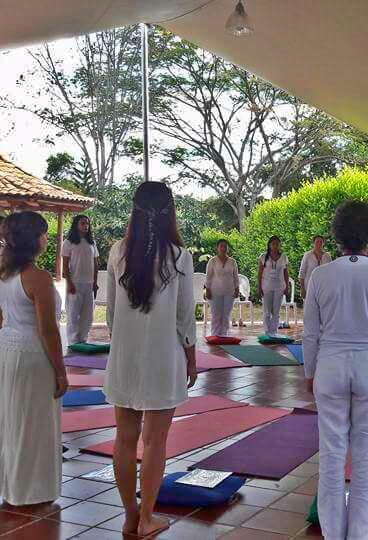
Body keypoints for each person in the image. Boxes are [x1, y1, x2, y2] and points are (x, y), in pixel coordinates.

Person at [303, 201, 368, 540]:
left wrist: (309, 373)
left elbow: (310, 333)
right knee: (365, 466)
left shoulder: (321, 274)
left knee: (331, 462)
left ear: (337, 233)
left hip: (329, 368)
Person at [104, 182, 197, 537]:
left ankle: (130, 515)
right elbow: (184, 317)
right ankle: (147, 517)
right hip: (163, 358)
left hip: (125, 358)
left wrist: (125, 343)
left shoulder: (117, 252)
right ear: (170, 212)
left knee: (124, 439)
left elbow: (112, 315)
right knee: (155, 442)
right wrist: (191, 358)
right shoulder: (179, 256)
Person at [0, 212, 67, 507]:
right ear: (32, 240)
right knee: (34, 423)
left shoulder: (3, 273)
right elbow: (48, 330)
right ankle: (31, 489)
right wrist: (61, 372)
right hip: (32, 355)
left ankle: (11, 485)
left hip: (7, 349)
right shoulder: (37, 278)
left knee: (11, 421)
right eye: (43, 233)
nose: (47, 238)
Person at [62, 214, 99, 344]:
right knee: (73, 314)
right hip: (75, 283)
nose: (86, 226)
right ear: (76, 225)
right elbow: (65, 265)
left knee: (88, 315)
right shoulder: (68, 242)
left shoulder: (92, 243)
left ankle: (83, 339)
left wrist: (95, 282)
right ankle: (73, 341)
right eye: (83, 223)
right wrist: (69, 282)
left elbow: (95, 263)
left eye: (87, 224)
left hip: (89, 284)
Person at [204, 239, 239, 337]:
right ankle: (215, 334)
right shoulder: (212, 261)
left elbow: (235, 276)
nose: (223, 248)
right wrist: (207, 289)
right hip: (215, 291)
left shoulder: (233, 262)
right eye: (221, 246)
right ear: (217, 248)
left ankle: (224, 334)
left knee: (226, 314)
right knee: (216, 314)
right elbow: (208, 276)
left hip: (229, 291)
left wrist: (237, 289)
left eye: (225, 246)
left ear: (227, 248)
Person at [258, 236, 289, 336]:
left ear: (280, 245)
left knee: (276, 311)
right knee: (267, 311)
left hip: (279, 287)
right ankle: (267, 332)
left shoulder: (283, 257)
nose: (275, 246)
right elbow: (260, 273)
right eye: (273, 244)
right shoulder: (263, 257)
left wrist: (287, 286)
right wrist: (259, 287)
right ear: (269, 245)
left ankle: (274, 332)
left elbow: (286, 272)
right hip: (266, 287)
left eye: (277, 244)